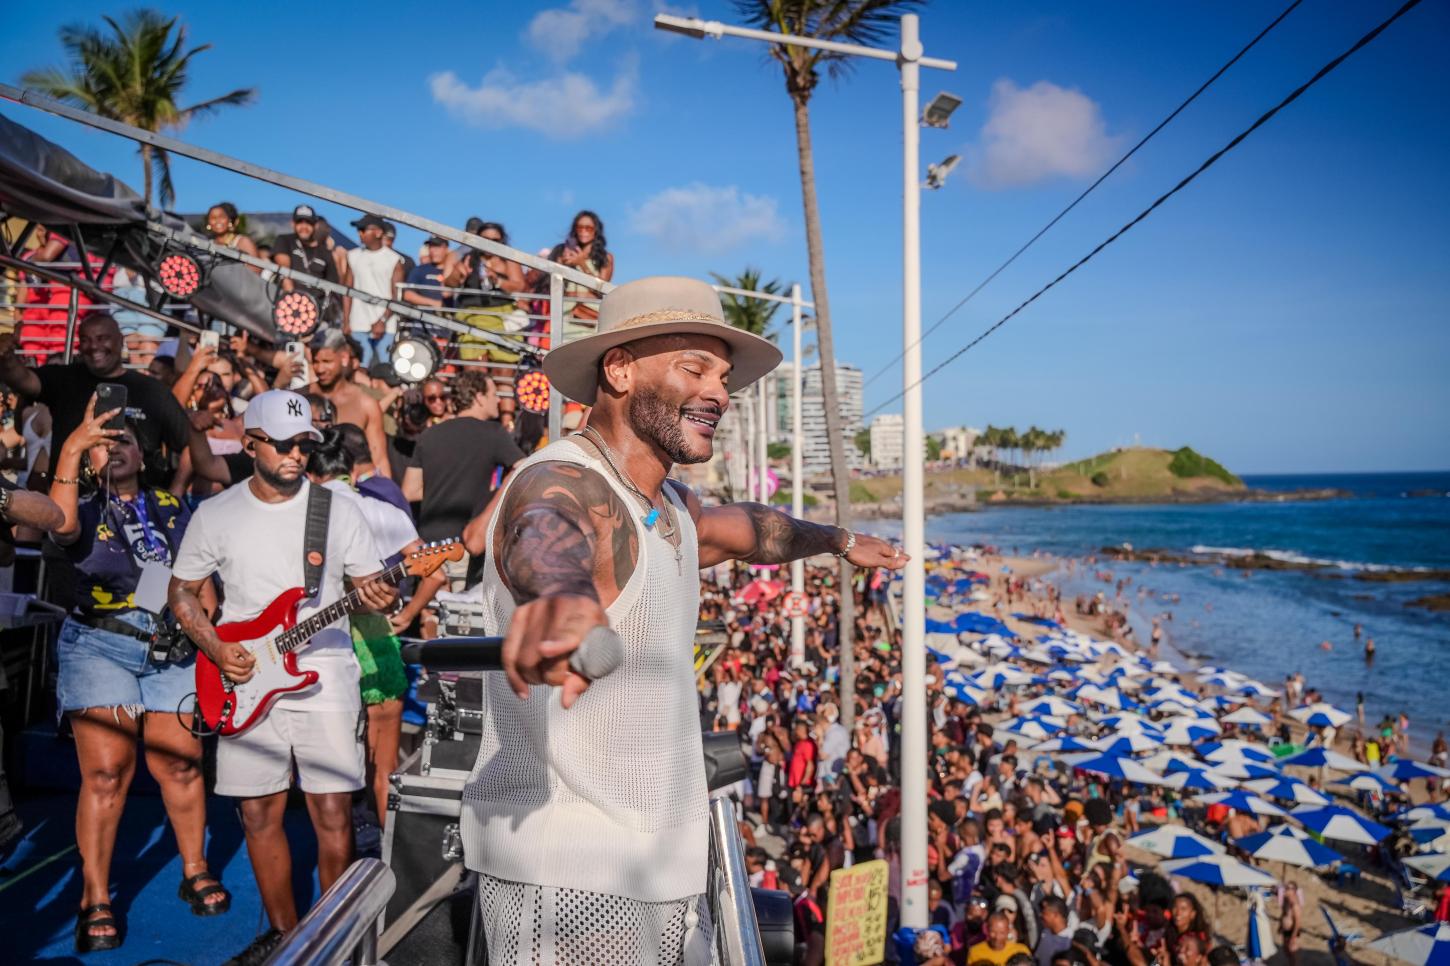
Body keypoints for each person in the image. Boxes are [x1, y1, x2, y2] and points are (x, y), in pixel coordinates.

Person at [459, 276, 904, 964]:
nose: (720, 394)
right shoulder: (564, 479)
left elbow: (752, 529)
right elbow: (544, 528)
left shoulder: (667, 502)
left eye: (724, 377)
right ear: (619, 368)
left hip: (657, 866)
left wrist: (839, 542)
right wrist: (562, 600)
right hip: (577, 876)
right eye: (694, 368)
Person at [168, 390, 397, 965]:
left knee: (332, 811)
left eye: (305, 444)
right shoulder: (216, 513)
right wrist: (218, 648)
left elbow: (373, 590)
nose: (297, 454)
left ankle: (335, 936)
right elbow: (182, 592)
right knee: (257, 811)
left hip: (326, 674)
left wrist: (381, 592)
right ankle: (284, 933)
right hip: (243, 674)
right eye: (284, 443)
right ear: (250, 445)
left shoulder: (338, 510)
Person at [49, 400, 226, 952]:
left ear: (144, 453)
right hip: (98, 646)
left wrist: (201, 630)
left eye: (125, 439)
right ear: (87, 456)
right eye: (104, 441)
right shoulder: (75, 504)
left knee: (181, 764)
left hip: (170, 648)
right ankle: (95, 896)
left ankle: (194, 868)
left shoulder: (176, 507)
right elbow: (58, 528)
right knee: (107, 775)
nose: (116, 447)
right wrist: (72, 445)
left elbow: (205, 591)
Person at [305, 428, 417, 828]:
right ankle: (383, 852)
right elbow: (426, 565)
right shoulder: (383, 511)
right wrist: (406, 608)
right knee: (382, 766)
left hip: (309, 642)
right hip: (373, 636)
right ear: (352, 470)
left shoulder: (298, 512)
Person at [0, 314, 191, 490]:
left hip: (138, 510)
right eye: (85, 339)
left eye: (102, 338)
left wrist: (176, 491)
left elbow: (189, 443)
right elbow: (23, 381)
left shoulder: (152, 390)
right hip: (72, 506)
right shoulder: (64, 378)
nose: (93, 346)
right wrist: (6, 356)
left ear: (121, 341)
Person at [403, 369, 524, 586]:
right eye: (493, 394)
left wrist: (440, 487)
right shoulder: (493, 433)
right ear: (478, 397)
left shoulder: (430, 434)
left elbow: (410, 492)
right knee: (459, 615)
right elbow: (522, 469)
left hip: (427, 546)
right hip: (462, 548)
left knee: (430, 614)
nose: (498, 401)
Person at [307, 329, 391, 477]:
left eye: (327, 361)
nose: (319, 369)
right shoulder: (300, 397)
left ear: (344, 358)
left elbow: (379, 460)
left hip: (352, 492)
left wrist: (389, 496)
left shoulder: (366, 404)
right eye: (315, 362)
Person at [273, 204, 348, 324]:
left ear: (315, 225)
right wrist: (294, 304)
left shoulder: (325, 253)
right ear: (293, 224)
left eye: (308, 222)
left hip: (317, 313)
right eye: (299, 222)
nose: (304, 226)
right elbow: (283, 270)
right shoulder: (285, 240)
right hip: (289, 308)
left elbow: (333, 285)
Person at [345, 214, 404, 367]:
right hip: (357, 324)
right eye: (359, 230)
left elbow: (396, 297)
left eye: (364, 230)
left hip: (387, 327)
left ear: (378, 233)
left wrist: (382, 321)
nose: (360, 233)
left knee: (384, 370)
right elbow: (346, 291)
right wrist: (346, 321)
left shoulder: (394, 260)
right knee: (359, 369)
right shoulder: (352, 256)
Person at [205, 202, 260, 270]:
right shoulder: (206, 244)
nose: (217, 221)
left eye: (221, 217)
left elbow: (255, 270)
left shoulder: (242, 242)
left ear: (229, 220)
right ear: (208, 222)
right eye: (213, 218)